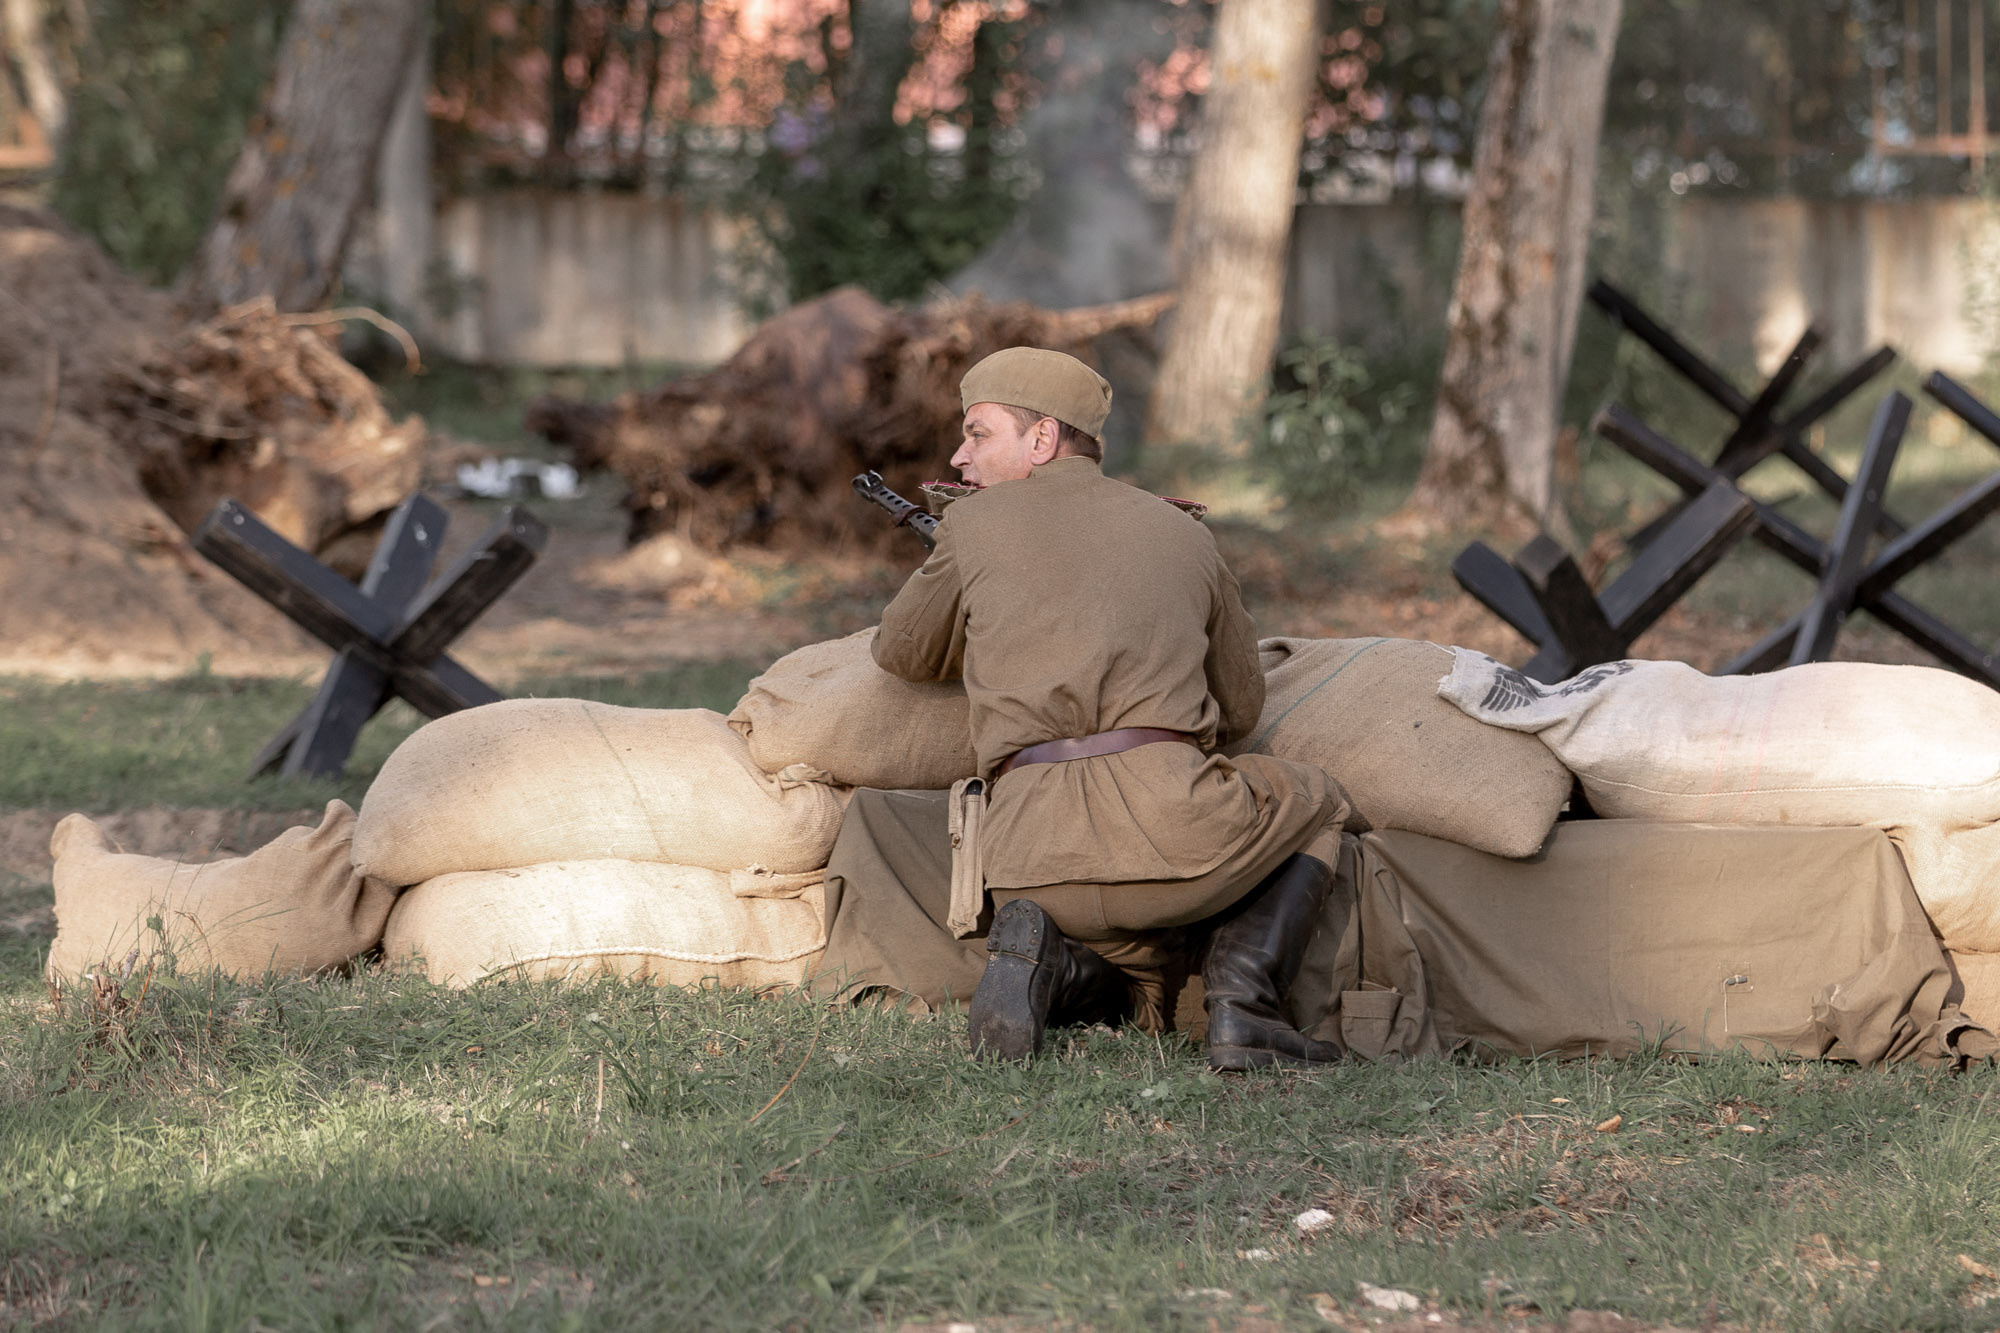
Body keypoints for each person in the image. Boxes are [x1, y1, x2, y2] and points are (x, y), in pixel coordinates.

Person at [810, 347, 1349, 1070]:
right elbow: (1243, 707)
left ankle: (1059, 964)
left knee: (1134, 968)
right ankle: (1246, 1007)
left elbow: (902, 653)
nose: (958, 455)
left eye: (978, 433)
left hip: (1025, 864)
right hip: (1179, 847)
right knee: (1315, 795)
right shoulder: (1186, 532)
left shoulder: (972, 529)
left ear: (1042, 439)